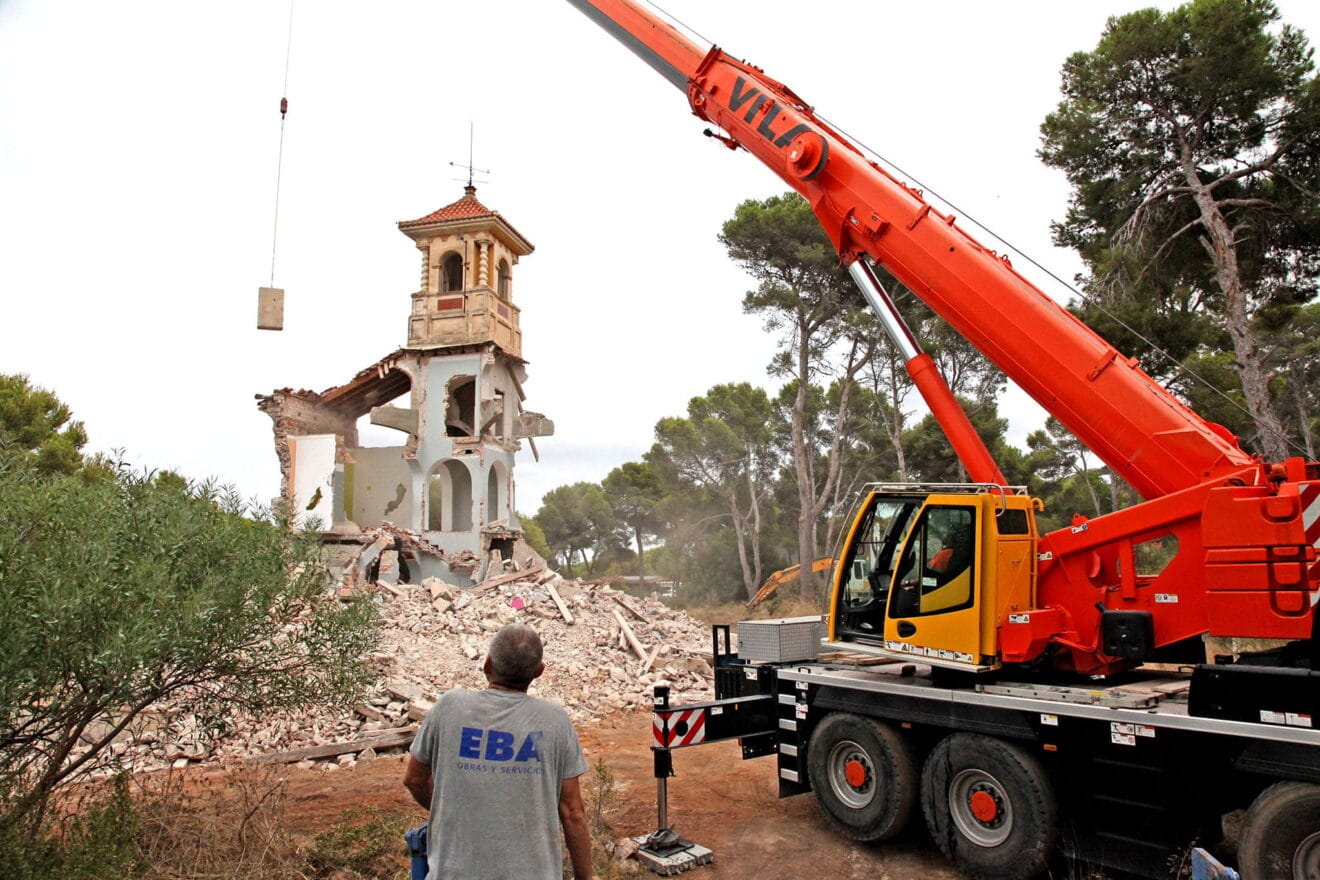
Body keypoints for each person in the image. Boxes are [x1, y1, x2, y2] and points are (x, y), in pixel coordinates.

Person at [403, 623, 595, 880]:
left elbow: (413, 779)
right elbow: (572, 812)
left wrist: (453, 814)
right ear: (539, 671)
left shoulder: (450, 706)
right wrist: (586, 877)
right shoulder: (555, 721)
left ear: (487, 664)